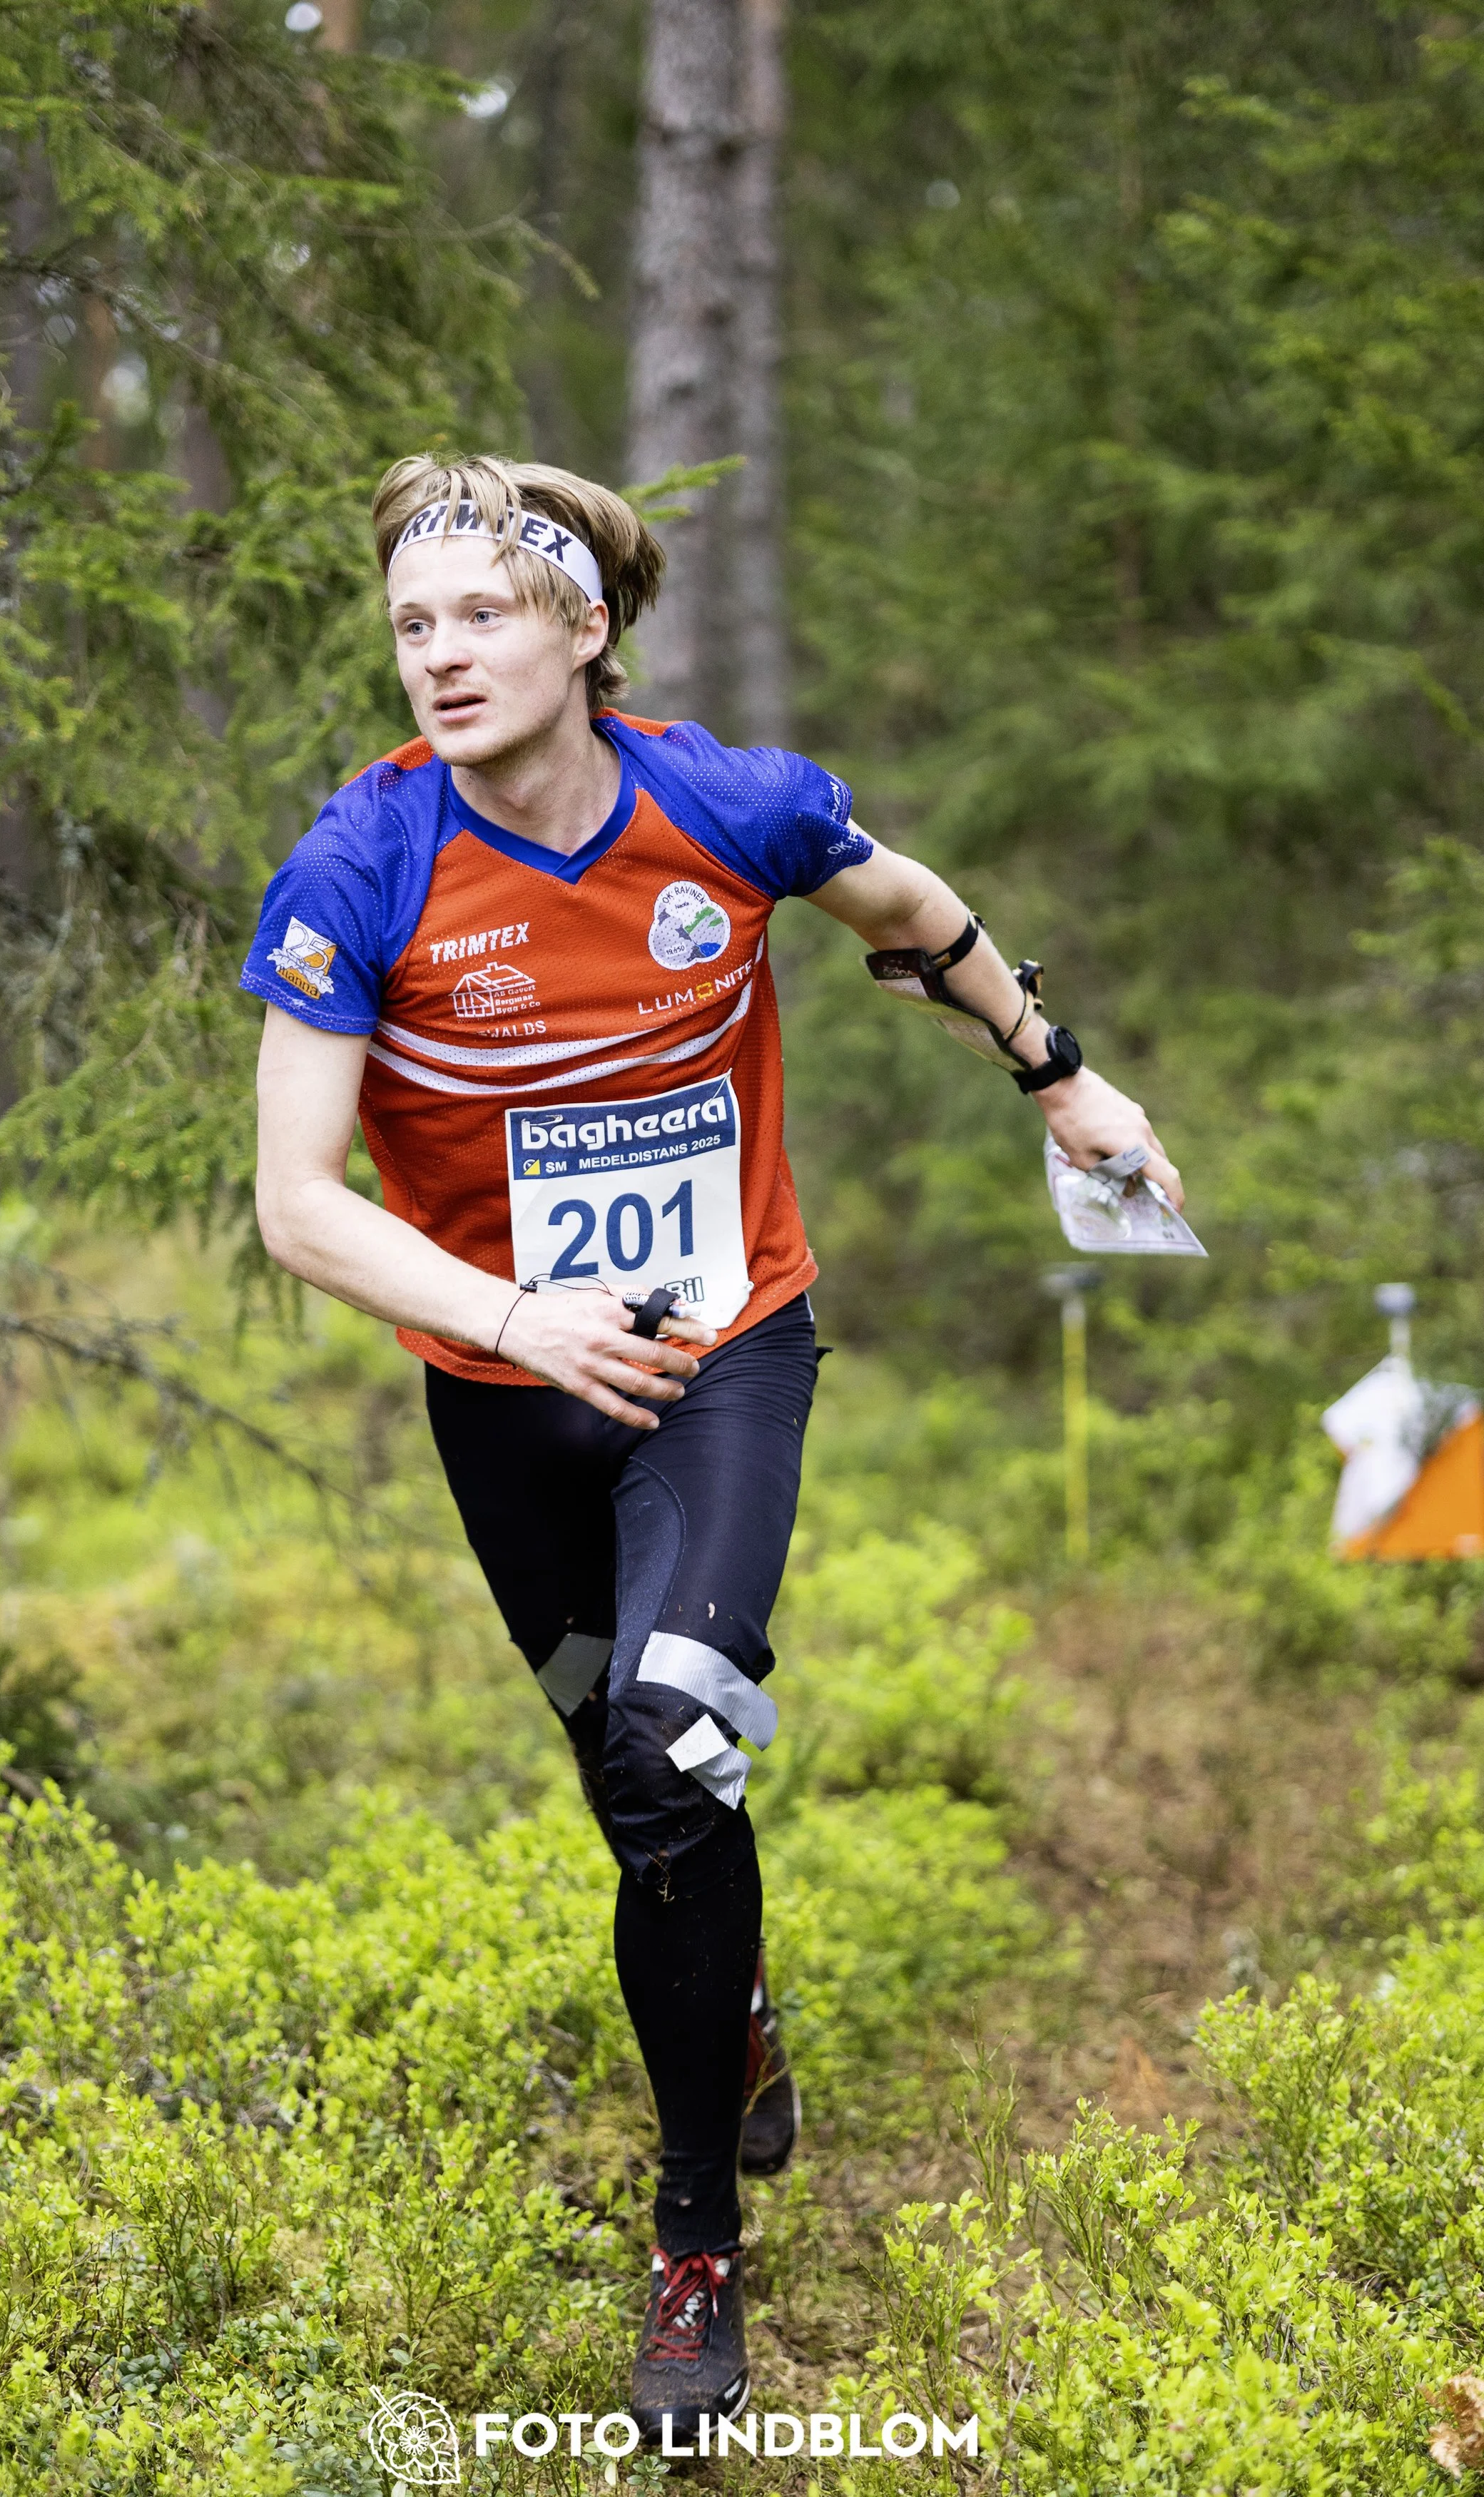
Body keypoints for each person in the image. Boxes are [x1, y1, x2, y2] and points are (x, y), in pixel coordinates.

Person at [243, 454, 1180, 2438]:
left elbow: (912, 911)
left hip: (723, 1350)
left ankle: (689, 2248)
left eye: (482, 613)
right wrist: (517, 1318)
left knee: (679, 1737)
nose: (441, 655)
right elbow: (294, 1203)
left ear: (584, 629)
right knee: (621, 1756)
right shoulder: (362, 863)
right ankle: (729, 2001)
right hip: (505, 1393)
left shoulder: (725, 802)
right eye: (412, 625)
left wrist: (1060, 1077)